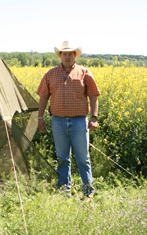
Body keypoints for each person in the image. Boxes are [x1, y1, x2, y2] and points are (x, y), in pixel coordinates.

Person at [36, 41, 101, 199]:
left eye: (70, 54)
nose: (67, 57)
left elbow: (93, 95)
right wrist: (40, 117)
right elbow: (44, 96)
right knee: (63, 158)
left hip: (79, 121)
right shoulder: (50, 74)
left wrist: (94, 117)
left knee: (83, 158)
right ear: (60, 56)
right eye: (64, 54)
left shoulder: (84, 72)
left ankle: (88, 191)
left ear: (74, 56)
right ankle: (64, 191)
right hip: (57, 121)